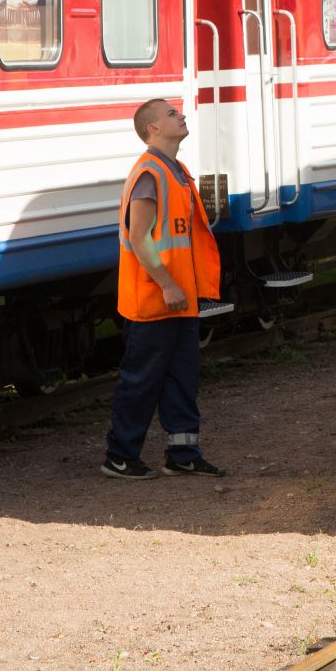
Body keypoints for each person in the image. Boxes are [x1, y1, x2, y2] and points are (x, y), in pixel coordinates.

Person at [102, 98, 227, 479]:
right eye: (171, 114)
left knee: (181, 380)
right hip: (156, 299)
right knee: (141, 381)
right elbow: (139, 238)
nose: (182, 115)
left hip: (179, 301)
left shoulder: (175, 171)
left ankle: (183, 455)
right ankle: (120, 457)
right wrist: (168, 284)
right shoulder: (149, 174)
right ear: (152, 128)